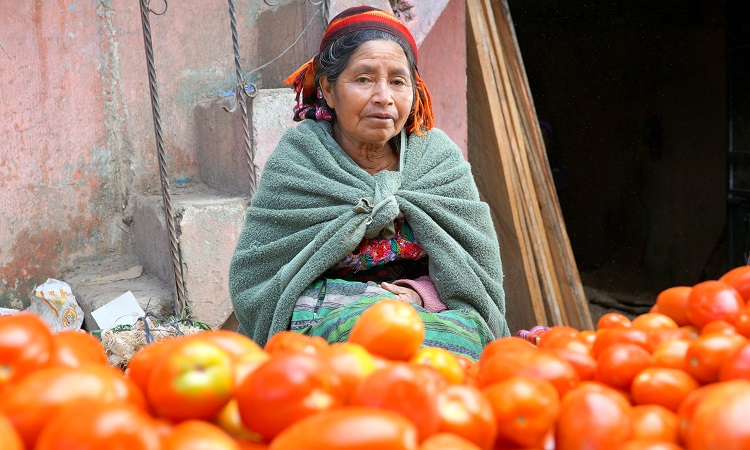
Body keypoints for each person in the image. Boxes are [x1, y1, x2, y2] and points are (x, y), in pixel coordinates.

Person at [229, 5, 509, 360]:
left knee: (462, 347)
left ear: (414, 90)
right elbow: (262, 277)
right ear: (329, 90)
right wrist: (364, 305)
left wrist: (419, 295)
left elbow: (472, 272)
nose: (384, 97)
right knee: (357, 341)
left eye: (397, 81)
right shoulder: (301, 160)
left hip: (425, 314)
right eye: (363, 79)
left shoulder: (437, 159)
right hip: (322, 317)